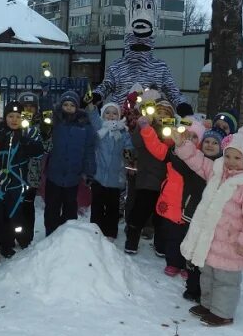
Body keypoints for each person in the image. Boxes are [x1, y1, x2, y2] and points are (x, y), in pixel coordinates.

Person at [175, 126, 243, 327]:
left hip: (232, 244)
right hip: (211, 241)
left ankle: (223, 313)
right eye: (229, 156)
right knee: (208, 276)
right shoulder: (218, 172)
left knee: (225, 281)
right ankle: (208, 306)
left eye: (237, 158)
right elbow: (198, 163)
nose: (231, 162)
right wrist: (183, 145)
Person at [0, 100, 44, 263]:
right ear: (5, 117)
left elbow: (38, 153)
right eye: (11, 116)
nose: (14, 120)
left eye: (18, 116)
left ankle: (7, 245)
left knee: (13, 216)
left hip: (17, 186)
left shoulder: (25, 135)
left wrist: (31, 140)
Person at [172, 127, 224, 302]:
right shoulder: (195, 160)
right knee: (192, 252)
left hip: (211, 219)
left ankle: (205, 289)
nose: (210, 145)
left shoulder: (223, 168)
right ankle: (192, 287)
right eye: (207, 141)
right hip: (192, 213)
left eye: (215, 143)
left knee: (206, 254)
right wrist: (178, 146)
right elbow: (179, 162)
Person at [43, 91, 96, 236]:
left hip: (73, 175)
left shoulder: (85, 126)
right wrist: (46, 95)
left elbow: (89, 150)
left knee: (70, 208)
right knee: (52, 207)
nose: (68, 107)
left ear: (77, 107)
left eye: (72, 105)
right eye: (65, 104)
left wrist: (89, 171)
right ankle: (51, 234)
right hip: (54, 173)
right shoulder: (55, 122)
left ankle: (67, 237)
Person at [125, 98, 174, 254]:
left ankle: (160, 246)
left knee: (161, 216)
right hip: (147, 180)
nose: (161, 116)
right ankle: (131, 242)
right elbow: (137, 143)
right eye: (159, 112)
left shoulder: (173, 133)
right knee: (139, 212)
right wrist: (141, 125)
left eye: (165, 114)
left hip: (165, 184)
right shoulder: (147, 129)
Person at [87, 102, 133, 239]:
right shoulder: (99, 128)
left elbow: (129, 147)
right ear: (103, 115)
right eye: (107, 112)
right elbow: (93, 117)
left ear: (119, 116)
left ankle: (110, 233)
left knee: (113, 207)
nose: (111, 116)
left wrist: (129, 153)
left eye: (114, 113)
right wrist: (91, 106)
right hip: (98, 176)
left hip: (115, 177)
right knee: (97, 206)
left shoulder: (123, 132)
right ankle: (95, 231)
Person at [17, 90, 48, 247]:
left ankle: (26, 236)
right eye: (25, 106)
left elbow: (47, 148)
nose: (28, 110)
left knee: (28, 204)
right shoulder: (15, 123)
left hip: (32, 174)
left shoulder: (41, 126)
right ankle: (14, 233)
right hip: (16, 173)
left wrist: (46, 133)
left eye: (32, 107)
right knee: (16, 204)